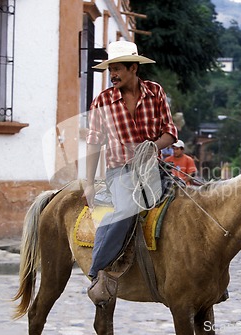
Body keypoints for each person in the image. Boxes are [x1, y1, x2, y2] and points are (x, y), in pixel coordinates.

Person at [84, 40, 177, 304]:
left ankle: (204, 279)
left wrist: (152, 147)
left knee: (190, 204)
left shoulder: (155, 92)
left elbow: (170, 133)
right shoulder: (102, 101)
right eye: (110, 69)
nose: (112, 74)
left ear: (134, 68)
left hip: (153, 169)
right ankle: (97, 274)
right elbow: (93, 143)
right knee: (124, 212)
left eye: (117, 69)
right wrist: (89, 184)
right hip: (120, 172)